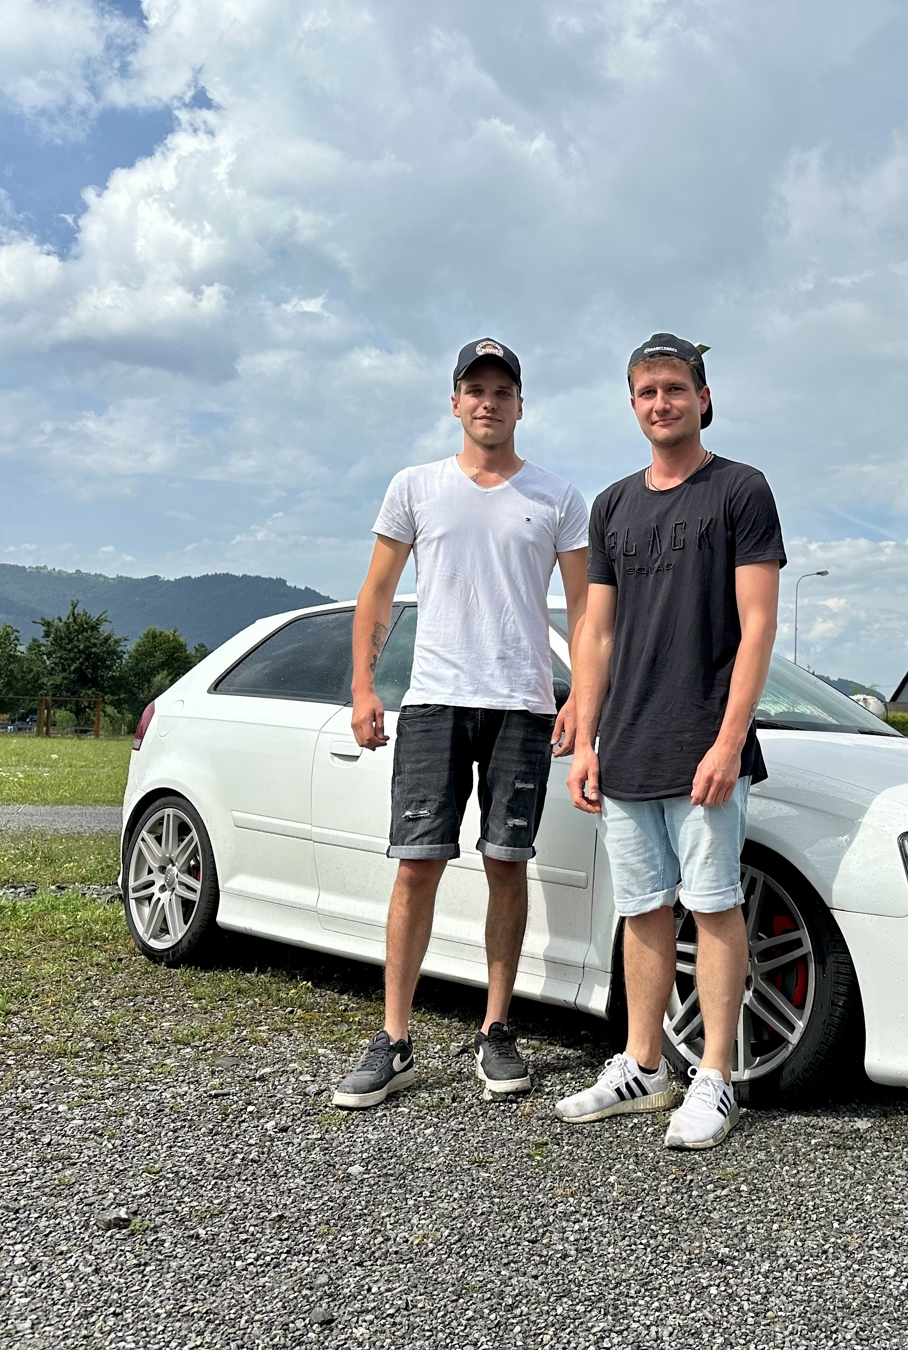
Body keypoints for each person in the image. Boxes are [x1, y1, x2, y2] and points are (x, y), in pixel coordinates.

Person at [331, 338, 589, 1109]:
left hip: (522, 705)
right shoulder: (415, 487)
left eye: (502, 391)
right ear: (455, 402)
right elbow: (378, 592)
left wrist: (583, 696)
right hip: (435, 701)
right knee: (417, 866)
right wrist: (363, 687)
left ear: (521, 405)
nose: (488, 402)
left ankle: (497, 1029)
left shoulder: (557, 497)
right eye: (475, 390)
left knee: (508, 863)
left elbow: (586, 611)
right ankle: (394, 1039)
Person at [556, 333, 784, 1150]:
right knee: (643, 909)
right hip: (625, 745)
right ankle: (643, 1065)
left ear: (703, 397)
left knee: (714, 905)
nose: (662, 403)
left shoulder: (740, 489)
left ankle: (715, 1076)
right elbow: (597, 633)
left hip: (703, 745)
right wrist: (587, 738)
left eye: (676, 388)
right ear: (632, 405)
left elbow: (758, 624)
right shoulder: (613, 505)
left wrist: (729, 741)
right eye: (648, 391)